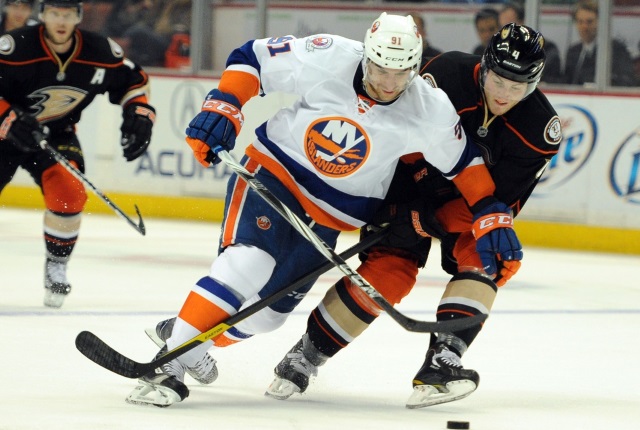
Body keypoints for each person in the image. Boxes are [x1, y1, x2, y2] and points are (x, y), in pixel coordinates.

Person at [126, 12, 523, 408]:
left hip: (330, 217)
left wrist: (489, 209)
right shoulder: (329, 54)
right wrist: (225, 105)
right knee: (248, 264)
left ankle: (187, 338)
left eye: (400, 74)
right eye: (380, 68)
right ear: (366, 55)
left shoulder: (428, 107)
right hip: (274, 176)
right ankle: (168, 366)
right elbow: (253, 58)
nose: (388, 83)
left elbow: (464, 164)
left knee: (269, 315)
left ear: (415, 68)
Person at [263, 23, 562, 408]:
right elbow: (393, 134)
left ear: (534, 84)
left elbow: (492, 204)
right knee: (390, 272)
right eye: (498, 79)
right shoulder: (448, 73)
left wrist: (427, 220)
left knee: (492, 257)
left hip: (465, 206)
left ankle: (443, 360)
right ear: (485, 66)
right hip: (402, 185)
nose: (504, 94)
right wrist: (400, 209)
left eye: (517, 87)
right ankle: (305, 355)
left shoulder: (540, 129)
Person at [0, 0, 155, 308]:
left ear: (79, 17)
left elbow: (135, 82)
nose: (61, 21)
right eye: (55, 13)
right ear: (42, 15)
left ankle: (56, 264)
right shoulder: (14, 47)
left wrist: (140, 112)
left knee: (69, 192)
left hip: (55, 134)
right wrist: (6, 117)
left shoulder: (99, 52)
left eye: (68, 14)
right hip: (4, 133)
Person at [563, 0, 636, 86]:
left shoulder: (616, 50)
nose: (584, 27)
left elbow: (626, 81)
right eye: (580, 22)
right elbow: (566, 82)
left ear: (600, 22)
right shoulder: (573, 52)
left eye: (589, 22)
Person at [498, 1, 563, 83]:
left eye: (511, 27)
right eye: (503, 28)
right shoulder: (500, 50)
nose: (507, 34)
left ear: (523, 22)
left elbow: (551, 81)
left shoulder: (547, 49)